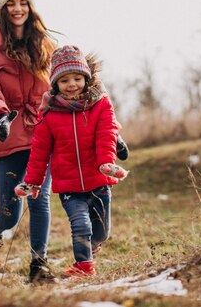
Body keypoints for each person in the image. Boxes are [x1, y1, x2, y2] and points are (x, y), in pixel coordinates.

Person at [14, 45, 128, 277]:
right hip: (69, 186)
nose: (72, 84)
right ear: (56, 84)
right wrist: (32, 182)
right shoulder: (49, 115)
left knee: (101, 232)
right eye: (65, 80)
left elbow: (107, 135)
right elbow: (39, 152)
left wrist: (107, 163)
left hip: (99, 180)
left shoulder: (101, 105)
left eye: (77, 78)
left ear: (86, 78)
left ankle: (93, 246)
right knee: (80, 226)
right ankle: (84, 266)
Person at [0, 0, 58, 283]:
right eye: (11, 4)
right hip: (8, 133)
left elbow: (66, 83)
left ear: (30, 8)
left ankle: (39, 265)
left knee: (39, 198)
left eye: (22, 3)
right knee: (9, 213)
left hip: (42, 133)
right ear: (3, 10)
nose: (17, 9)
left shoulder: (47, 47)